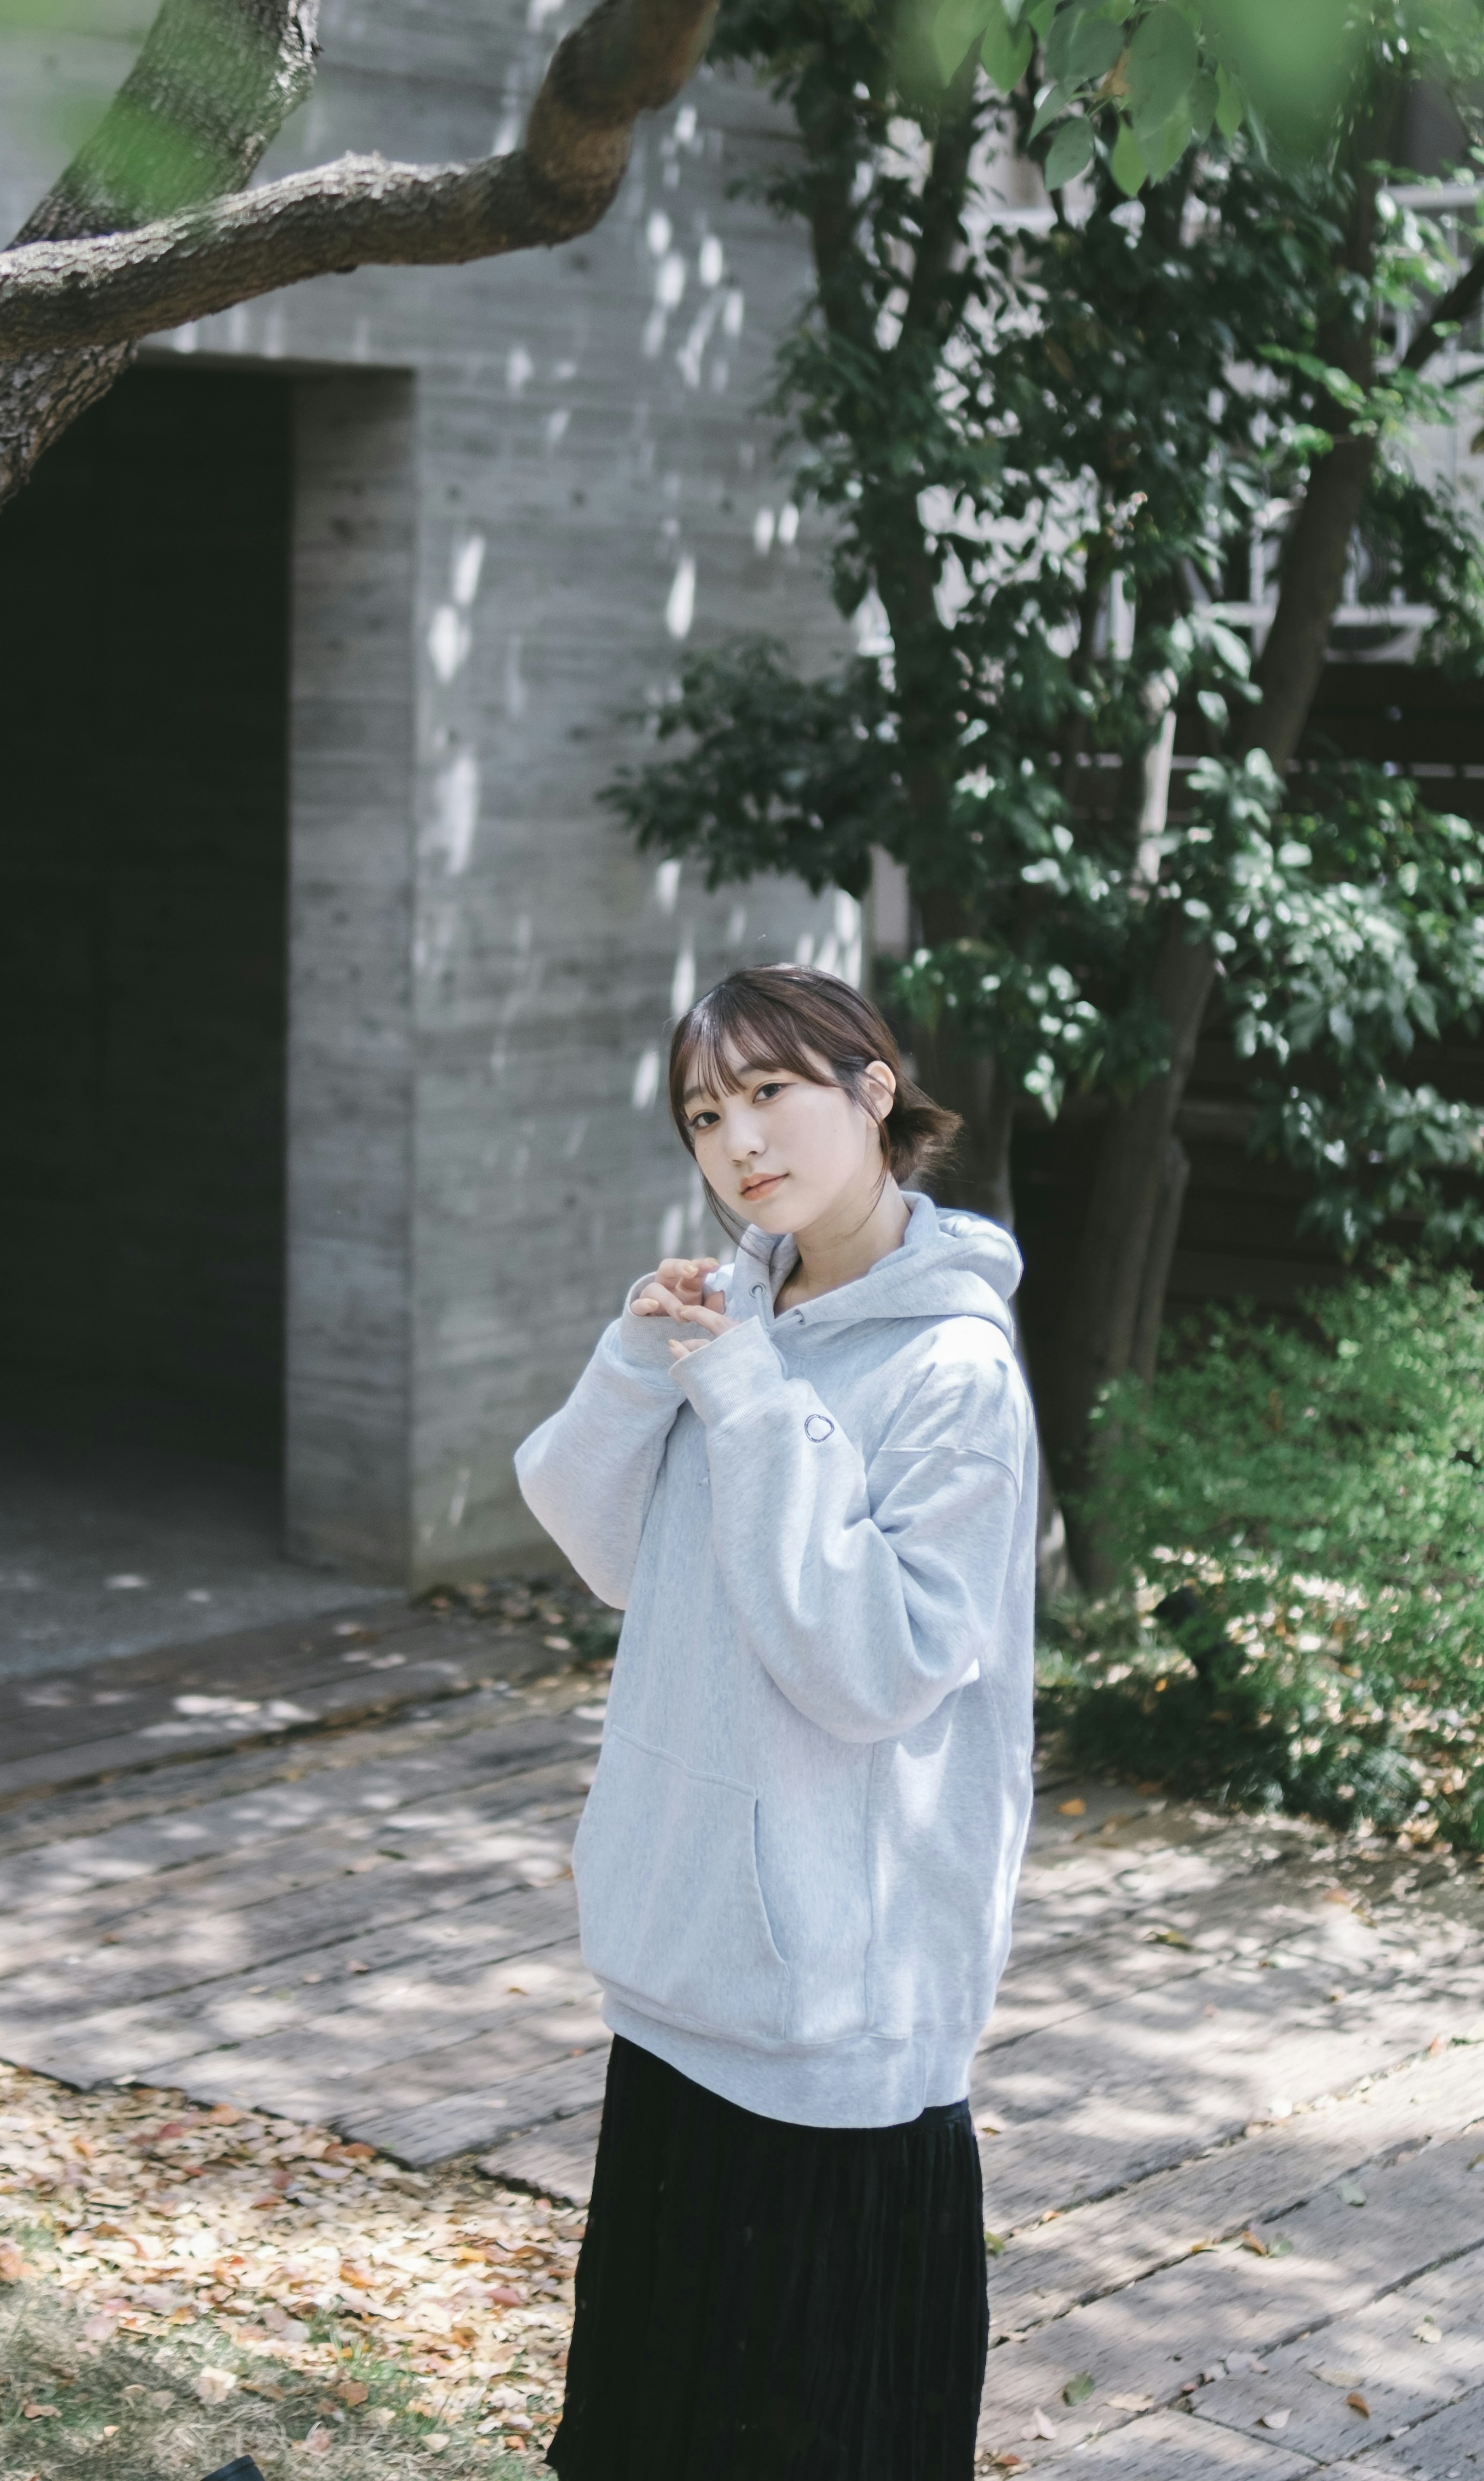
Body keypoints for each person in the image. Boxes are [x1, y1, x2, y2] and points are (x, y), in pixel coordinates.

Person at [514, 963, 1037, 2481]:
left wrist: (747, 1398)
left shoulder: (953, 1369)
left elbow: (872, 1664)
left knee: (801, 2438)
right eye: (703, 1111)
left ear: (876, 1093)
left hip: (834, 2009)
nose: (738, 1139)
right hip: (686, 1968)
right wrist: (640, 1358)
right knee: (651, 2434)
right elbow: (608, 1546)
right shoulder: (742, 1306)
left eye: (770, 1092)